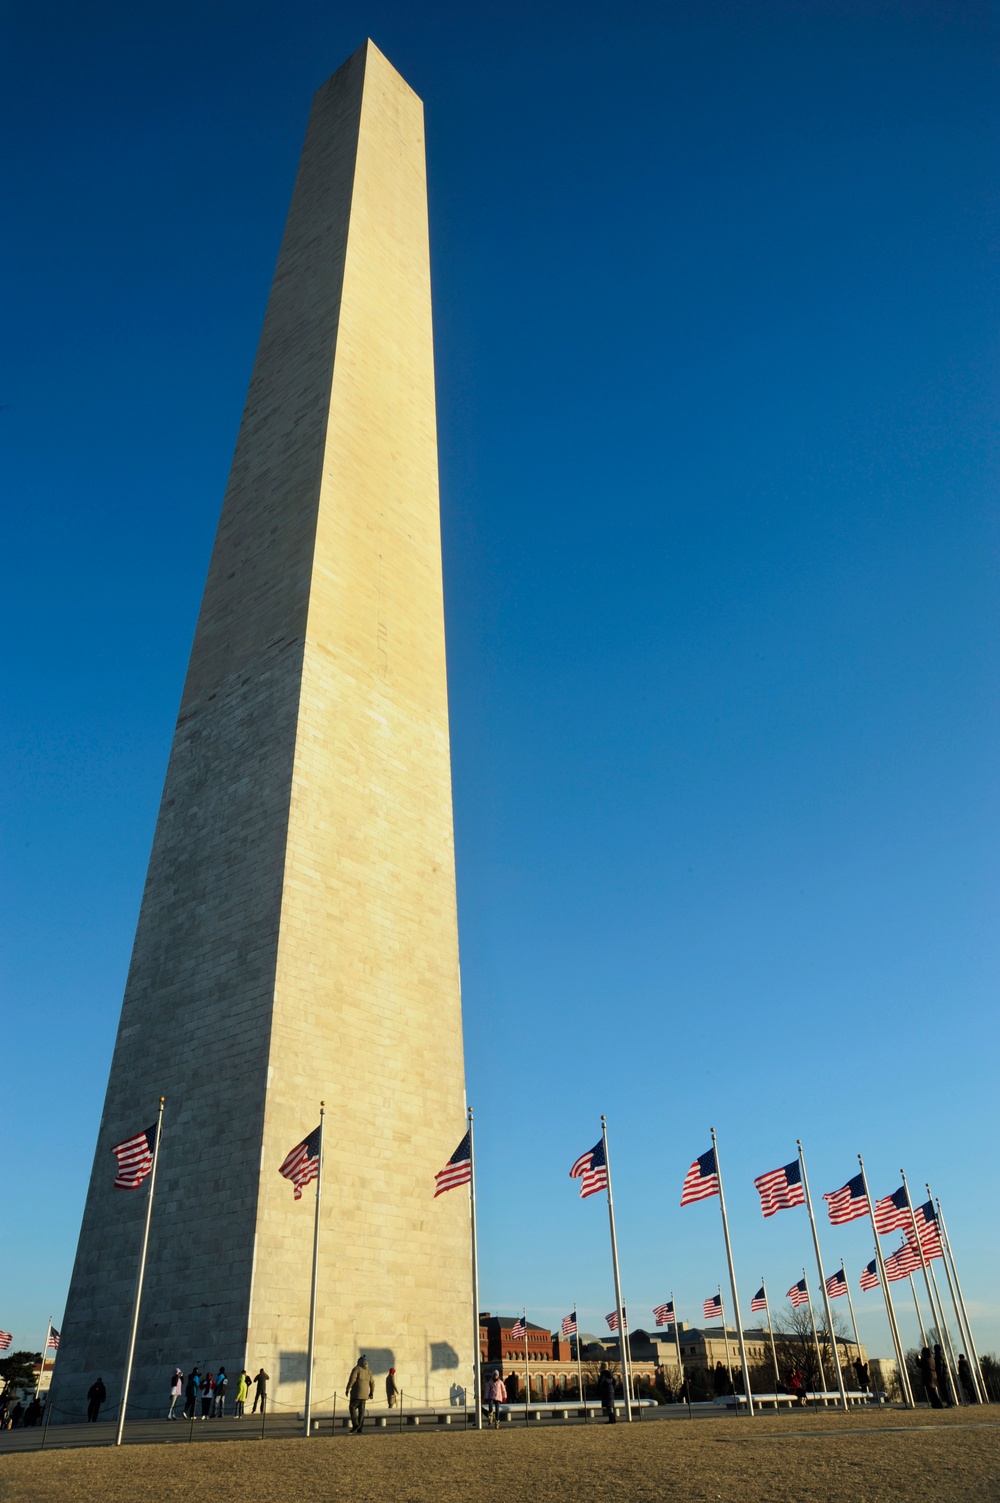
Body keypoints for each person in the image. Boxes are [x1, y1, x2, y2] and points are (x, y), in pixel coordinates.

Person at [345, 1355, 375, 1434]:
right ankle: (360, 1428)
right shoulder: (369, 1371)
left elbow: (352, 1379)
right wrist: (371, 1392)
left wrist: (348, 1388)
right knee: (361, 1411)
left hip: (356, 1394)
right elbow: (372, 1383)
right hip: (365, 1395)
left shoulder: (356, 1369)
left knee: (352, 1407)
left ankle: (355, 1424)